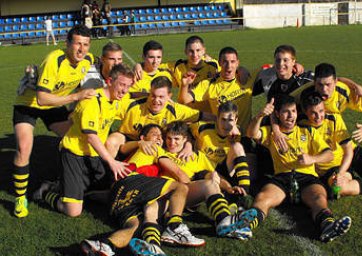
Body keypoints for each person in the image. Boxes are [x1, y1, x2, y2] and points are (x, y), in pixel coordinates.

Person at [80, 124, 204, 256]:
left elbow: (124, 149)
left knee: (135, 226)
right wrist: (191, 198)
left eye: (160, 136)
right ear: (143, 138)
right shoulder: (152, 147)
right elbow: (179, 174)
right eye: (154, 134)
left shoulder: (142, 151)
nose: (159, 138)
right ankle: (174, 227)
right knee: (180, 187)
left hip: (119, 196)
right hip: (132, 181)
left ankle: (105, 245)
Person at [12, 25, 95, 218]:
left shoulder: (88, 60)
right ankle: (20, 197)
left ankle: (62, 182)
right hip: (29, 103)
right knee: (24, 147)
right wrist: (76, 98)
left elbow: (100, 76)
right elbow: (41, 99)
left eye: (86, 44)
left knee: (75, 139)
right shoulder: (54, 59)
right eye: (77, 44)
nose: (81, 49)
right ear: (67, 44)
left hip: (55, 104)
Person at [245, 94, 351, 242]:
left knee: (319, 198)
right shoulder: (272, 134)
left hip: (307, 178)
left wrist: (311, 159)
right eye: (286, 112)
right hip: (282, 178)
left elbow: (329, 155)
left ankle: (328, 226)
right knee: (263, 197)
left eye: (293, 111)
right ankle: (245, 225)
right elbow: (251, 133)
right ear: (277, 114)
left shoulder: (307, 131)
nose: (290, 116)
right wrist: (260, 115)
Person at [34, 64, 134, 217]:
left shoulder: (118, 99)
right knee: (73, 211)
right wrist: (111, 161)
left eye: (128, 86)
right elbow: (91, 136)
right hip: (74, 154)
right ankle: (47, 192)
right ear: (109, 81)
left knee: (112, 192)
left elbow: (135, 102)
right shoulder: (92, 101)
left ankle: (64, 185)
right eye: (121, 84)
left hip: (93, 155)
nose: (125, 90)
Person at [163, 121, 257, 240]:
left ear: (184, 139)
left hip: (184, 194)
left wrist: (228, 188)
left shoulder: (196, 156)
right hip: (164, 192)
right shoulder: (161, 151)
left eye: (176, 139)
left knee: (211, 178)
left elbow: (214, 175)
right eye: (169, 138)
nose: (172, 143)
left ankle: (224, 219)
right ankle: (231, 223)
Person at [105, 76, 215, 158]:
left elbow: (200, 115)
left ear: (169, 96)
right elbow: (107, 102)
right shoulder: (132, 105)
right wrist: (92, 92)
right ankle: (107, 177)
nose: (156, 101)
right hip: (130, 142)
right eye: (153, 95)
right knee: (112, 140)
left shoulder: (175, 110)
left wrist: (223, 121)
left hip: (157, 146)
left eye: (161, 97)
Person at [291, 63, 362, 144]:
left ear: (335, 82)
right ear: (314, 82)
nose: (324, 89)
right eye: (320, 85)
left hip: (332, 136)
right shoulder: (303, 93)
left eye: (328, 84)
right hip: (307, 137)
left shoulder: (343, 91)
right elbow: (280, 107)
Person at [190, 102, 252, 209]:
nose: (226, 124)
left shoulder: (238, 134)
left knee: (237, 146)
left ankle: (243, 193)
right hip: (204, 170)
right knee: (214, 178)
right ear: (217, 117)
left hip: (224, 168)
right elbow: (184, 130)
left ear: (236, 120)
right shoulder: (202, 128)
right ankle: (225, 204)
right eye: (223, 119)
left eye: (230, 120)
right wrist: (187, 145)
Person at [180, 46, 254, 132]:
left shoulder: (247, 77)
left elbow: (270, 70)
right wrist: (184, 85)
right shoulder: (209, 84)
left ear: (238, 63)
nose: (229, 66)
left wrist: (242, 69)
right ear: (219, 63)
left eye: (232, 62)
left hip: (245, 136)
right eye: (225, 62)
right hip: (223, 135)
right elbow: (184, 99)